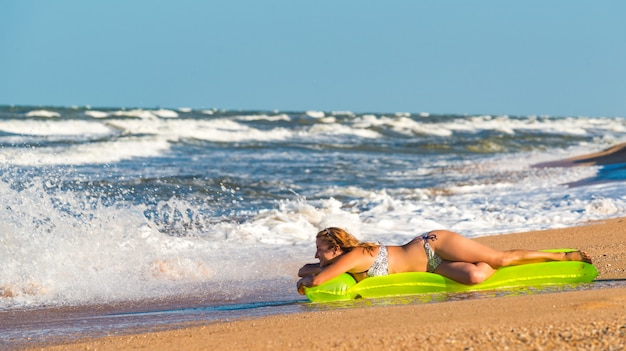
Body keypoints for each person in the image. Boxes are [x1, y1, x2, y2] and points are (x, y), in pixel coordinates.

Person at [297, 227, 592, 294]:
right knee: (476, 276)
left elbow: (318, 278)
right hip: (432, 266)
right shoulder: (343, 259)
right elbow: (309, 268)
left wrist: (305, 281)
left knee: (500, 259)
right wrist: (307, 271)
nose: (316, 255)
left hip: (432, 246)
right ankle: (486, 262)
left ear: (336, 249)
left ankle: (563, 255)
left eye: (320, 249)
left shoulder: (355, 255)